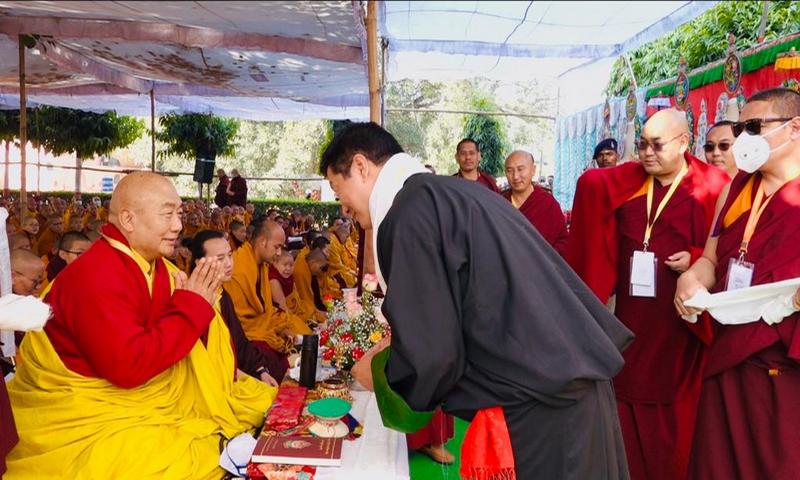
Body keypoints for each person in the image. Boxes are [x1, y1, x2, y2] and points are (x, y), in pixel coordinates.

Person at [322, 122, 632, 479]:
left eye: (337, 189)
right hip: (571, 390)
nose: (343, 206)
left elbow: (433, 358)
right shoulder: (449, 194)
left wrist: (380, 373)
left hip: (543, 413)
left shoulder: (408, 213)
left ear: (361, 167)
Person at [5, 172, 275, 478]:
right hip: (86, 415)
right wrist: (193, 305)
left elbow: (191, 346)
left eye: (179, 213)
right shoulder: (95, 274)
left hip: (146, 400)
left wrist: (199, 305)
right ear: (128, 219)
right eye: (167, 214)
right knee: (184, 462)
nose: (177, 225)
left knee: (249, 405)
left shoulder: (158, 268)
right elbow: (127, 367)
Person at [567, 109, 730, 480]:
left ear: (683, 144)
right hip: (632, 321)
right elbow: (593, 187)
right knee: (625, 403)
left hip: (679, 325)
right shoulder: (629, 182)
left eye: (656, 145)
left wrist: (696, 257)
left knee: (676, 421)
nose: (646, 153)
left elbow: (728, 245)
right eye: (641, 144)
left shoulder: (712, 186)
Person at [674, 88, 800, 479]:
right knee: (718, 464)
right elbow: (712, 258)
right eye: (741, 128)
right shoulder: (735, 189)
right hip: (730, 352)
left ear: (795, 128)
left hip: (783, 362)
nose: (744, 139)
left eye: (754, 127)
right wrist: (692, 278)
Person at [224, 217, 312, 381]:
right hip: (246, 334)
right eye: (277, 247)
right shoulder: (238, 269)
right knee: (268, 357)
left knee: (291, 334)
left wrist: (279, 328)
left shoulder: (261, 265)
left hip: (261, 327)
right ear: (263, 242)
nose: (279, 253)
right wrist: (270, 330)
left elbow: (265, 309)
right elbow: (239, 320)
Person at [190, 229, 279, 386]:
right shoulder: (193, 300)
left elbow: (239, 341)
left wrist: (260, 370)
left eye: (229, 255)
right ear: (199, 263)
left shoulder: (222, 296)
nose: (229, 264)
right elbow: (205, 360)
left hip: (231, 374)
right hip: (208, 383)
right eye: (220, 258)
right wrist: (246, 378)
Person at [503, 150, 569, 256]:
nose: (515, 176)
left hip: (542, 267)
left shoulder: (548, 203)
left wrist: (547, 259)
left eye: (520, 169)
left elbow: (562, 240)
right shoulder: (500, 202)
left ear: (533, 170)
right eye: (509, 170)